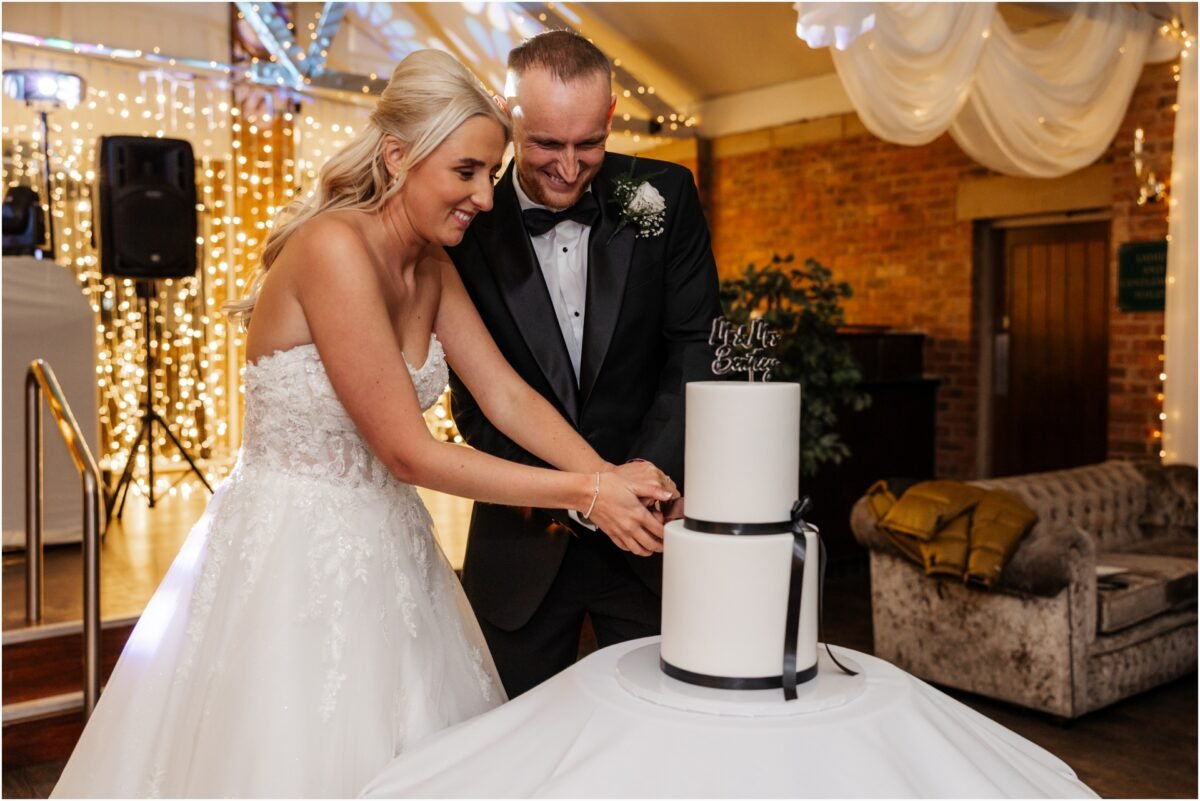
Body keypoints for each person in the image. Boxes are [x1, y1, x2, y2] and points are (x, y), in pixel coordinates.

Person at [51, 49, 676, 799]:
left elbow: (507, 397)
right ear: (397, 157)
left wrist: (608, 479)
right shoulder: (334, 250)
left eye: (490, 171)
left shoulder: (433, 267)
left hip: (390, 550)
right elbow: (408, 452)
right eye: (466, 172)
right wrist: (586, 492)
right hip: (292, 557)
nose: (484, 197)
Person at [446, 30, 722, 698]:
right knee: (514, 747)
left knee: (662, 739)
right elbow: (476, 404)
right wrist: (586, 495)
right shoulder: (465, 219)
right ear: (510, 114)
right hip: (521, 543)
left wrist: (645, 481)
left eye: (588, 144)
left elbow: (695, 346)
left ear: (611, 113)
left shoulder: (665, 194)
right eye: (546, 145)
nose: (570, 168)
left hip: (647, 536)